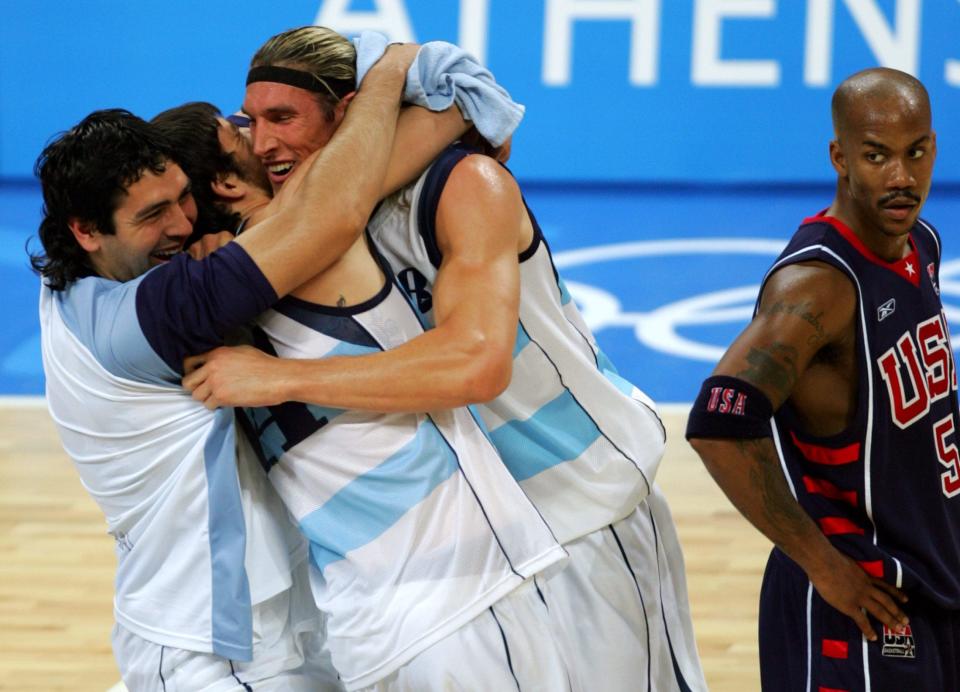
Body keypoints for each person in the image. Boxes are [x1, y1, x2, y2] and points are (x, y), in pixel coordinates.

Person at [183, 25, 706, 692]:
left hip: (586, 507)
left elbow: (476, 365)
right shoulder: (311, 218)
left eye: (283, 118)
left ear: (348, 112)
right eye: (251, 121)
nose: (262, 144)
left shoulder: (464, 184)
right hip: (488, 540)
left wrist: (278, 378)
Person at [32, 47, 461, 690]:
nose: (181, 224)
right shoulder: (135, 322)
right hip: (216, 647)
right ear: (87, 230)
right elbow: (327, 218)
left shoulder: (91, 282)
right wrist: (409, 86)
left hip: (271, 621)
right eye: (153, 216)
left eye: (184, 200)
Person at [685, 67, 960, 691]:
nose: (901, 178)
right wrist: (823, 566)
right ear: (840, 157)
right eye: (876, 156)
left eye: (916, 154)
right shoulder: (818, 287)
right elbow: (718, 422)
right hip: (857, 609)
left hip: (929, 579)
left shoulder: (921, 243)